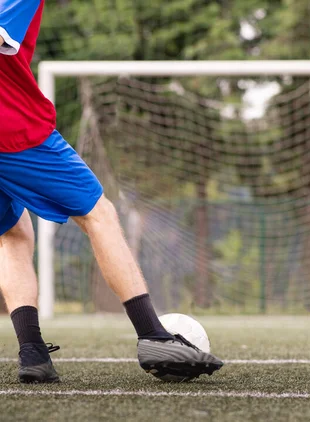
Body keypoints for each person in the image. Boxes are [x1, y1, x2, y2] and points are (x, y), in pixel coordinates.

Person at [0, 0, 223, 383]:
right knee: (98, 213)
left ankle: (33, 354)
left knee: (14, 234)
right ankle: (153, 335)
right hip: (13, 129)